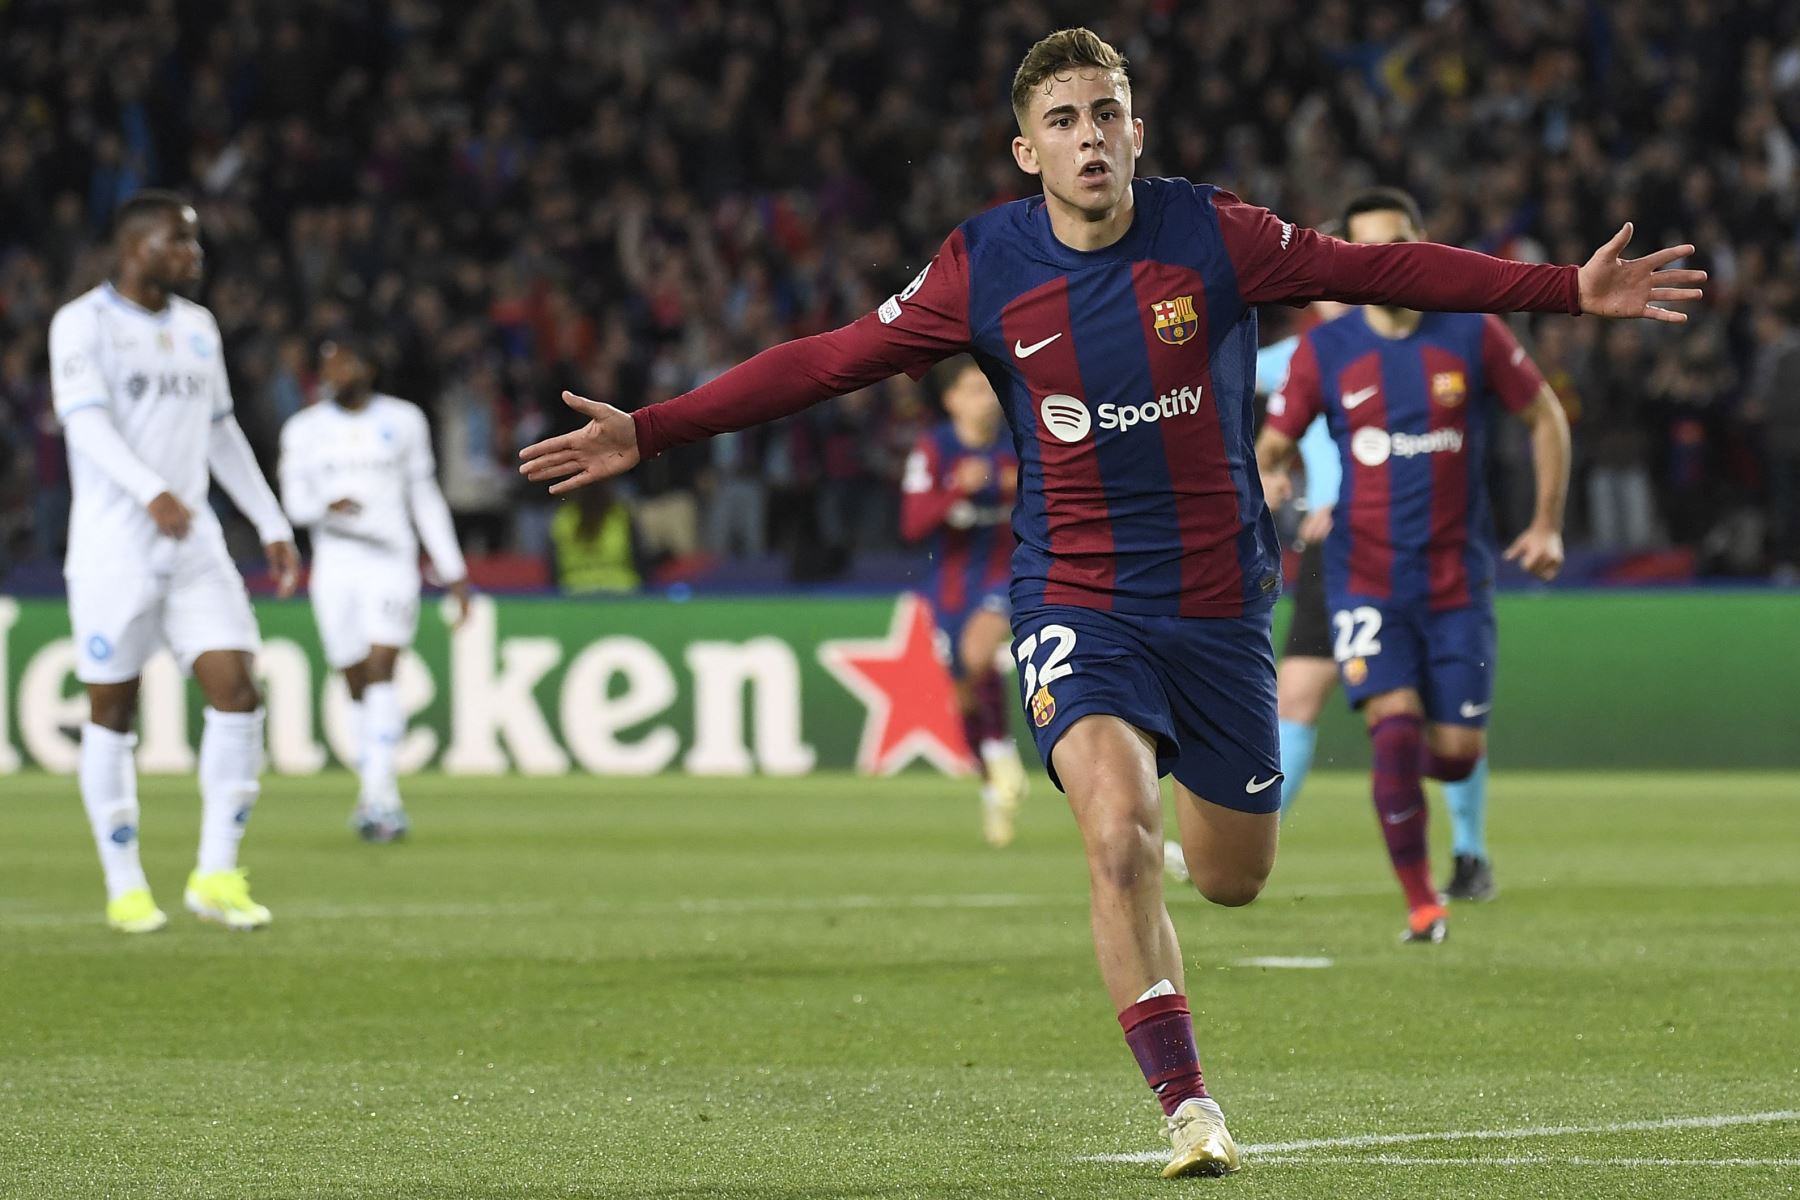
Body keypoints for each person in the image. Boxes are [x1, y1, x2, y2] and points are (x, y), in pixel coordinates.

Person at [518, 29, 1702, 1178]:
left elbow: (1372, 267)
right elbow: (828, 359)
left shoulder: (1217, 235)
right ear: (1025, 150)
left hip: (1219, 602)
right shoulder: (982, 266)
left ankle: (1192, 840)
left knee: (1232, 876)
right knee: (1110, 830)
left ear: (1138, 130)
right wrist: (655, 428)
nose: (1089, 139)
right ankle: (1190, 1107)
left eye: (1104, 115)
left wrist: (1560, 291)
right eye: (1062, 121)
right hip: (1075, 594)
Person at [1259, 187, 1575, 942]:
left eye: (1399, 246)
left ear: (1425, 246)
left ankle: (1433, 813)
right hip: (1364, 576)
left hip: (1458, 581)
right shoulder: (1324, 350)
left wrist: (1547, 523)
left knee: (1456, 754)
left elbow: (1546, 417)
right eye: (1368, 252)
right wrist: (1269, 475)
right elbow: (1274, 442)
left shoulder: (1472, 334)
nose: (1386, 265)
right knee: (1391, 730)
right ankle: (1422, 902)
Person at [48, 190, 300, 933]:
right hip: (113, 549)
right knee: (111, 712)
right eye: (181, 243)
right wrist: (150, 490)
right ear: (138, 248)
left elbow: (221, 431)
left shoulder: (198, 328)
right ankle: (125, 882)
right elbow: (83, 423)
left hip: (193, 545)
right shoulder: (82, 323)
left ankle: (215, 872)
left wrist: (270, 518)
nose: (196, 256)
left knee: (237, 689)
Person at [279, 333, 470, 842]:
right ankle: (374, 789)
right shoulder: (304, 429)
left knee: (383, 666)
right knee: (355, 677)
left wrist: (452, 570)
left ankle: (382, 799)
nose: (333, 374)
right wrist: (327, 507)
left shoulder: (404, 421)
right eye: (327, 366)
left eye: (342, 364)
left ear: (367, 366)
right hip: (335, 564)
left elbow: (424, 495)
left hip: (391, 561)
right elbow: (294, 502)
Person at [900, 358, 1029, 846]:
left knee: (979, 651)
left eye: (988, 389)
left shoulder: (1018, 442)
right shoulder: (935, 449)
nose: (986, 399)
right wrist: (958, 487)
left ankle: (1000, 756)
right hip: (951, 585)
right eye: (973, 390)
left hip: (1009, 572)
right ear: (951, 398)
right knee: (964, 692)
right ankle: (993, 787)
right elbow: (912, 525)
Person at [549, 482, 645, 594]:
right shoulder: (621, 515)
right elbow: (640, 558)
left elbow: (553, 564)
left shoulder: (563, 517)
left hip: (575, 590)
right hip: (621, 589)